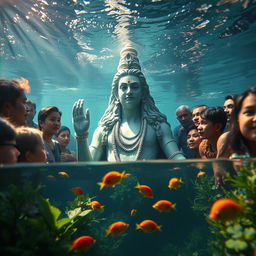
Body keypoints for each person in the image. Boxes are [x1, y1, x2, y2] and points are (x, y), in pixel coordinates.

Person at [72, 46, 185, 161]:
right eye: (123, 87)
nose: (129, 91)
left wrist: (195, 167)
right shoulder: (104, 130)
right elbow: (87, 165)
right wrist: (81, 136)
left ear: (143, 92)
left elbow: (175, 156)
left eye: (134, 87)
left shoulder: (158, 127)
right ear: (116, 94)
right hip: (113, 179)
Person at [214, 87, 256, 187]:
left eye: (230, 106)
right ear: (237, 117)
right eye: (249, 112)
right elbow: (220, 179)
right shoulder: (227, 140)